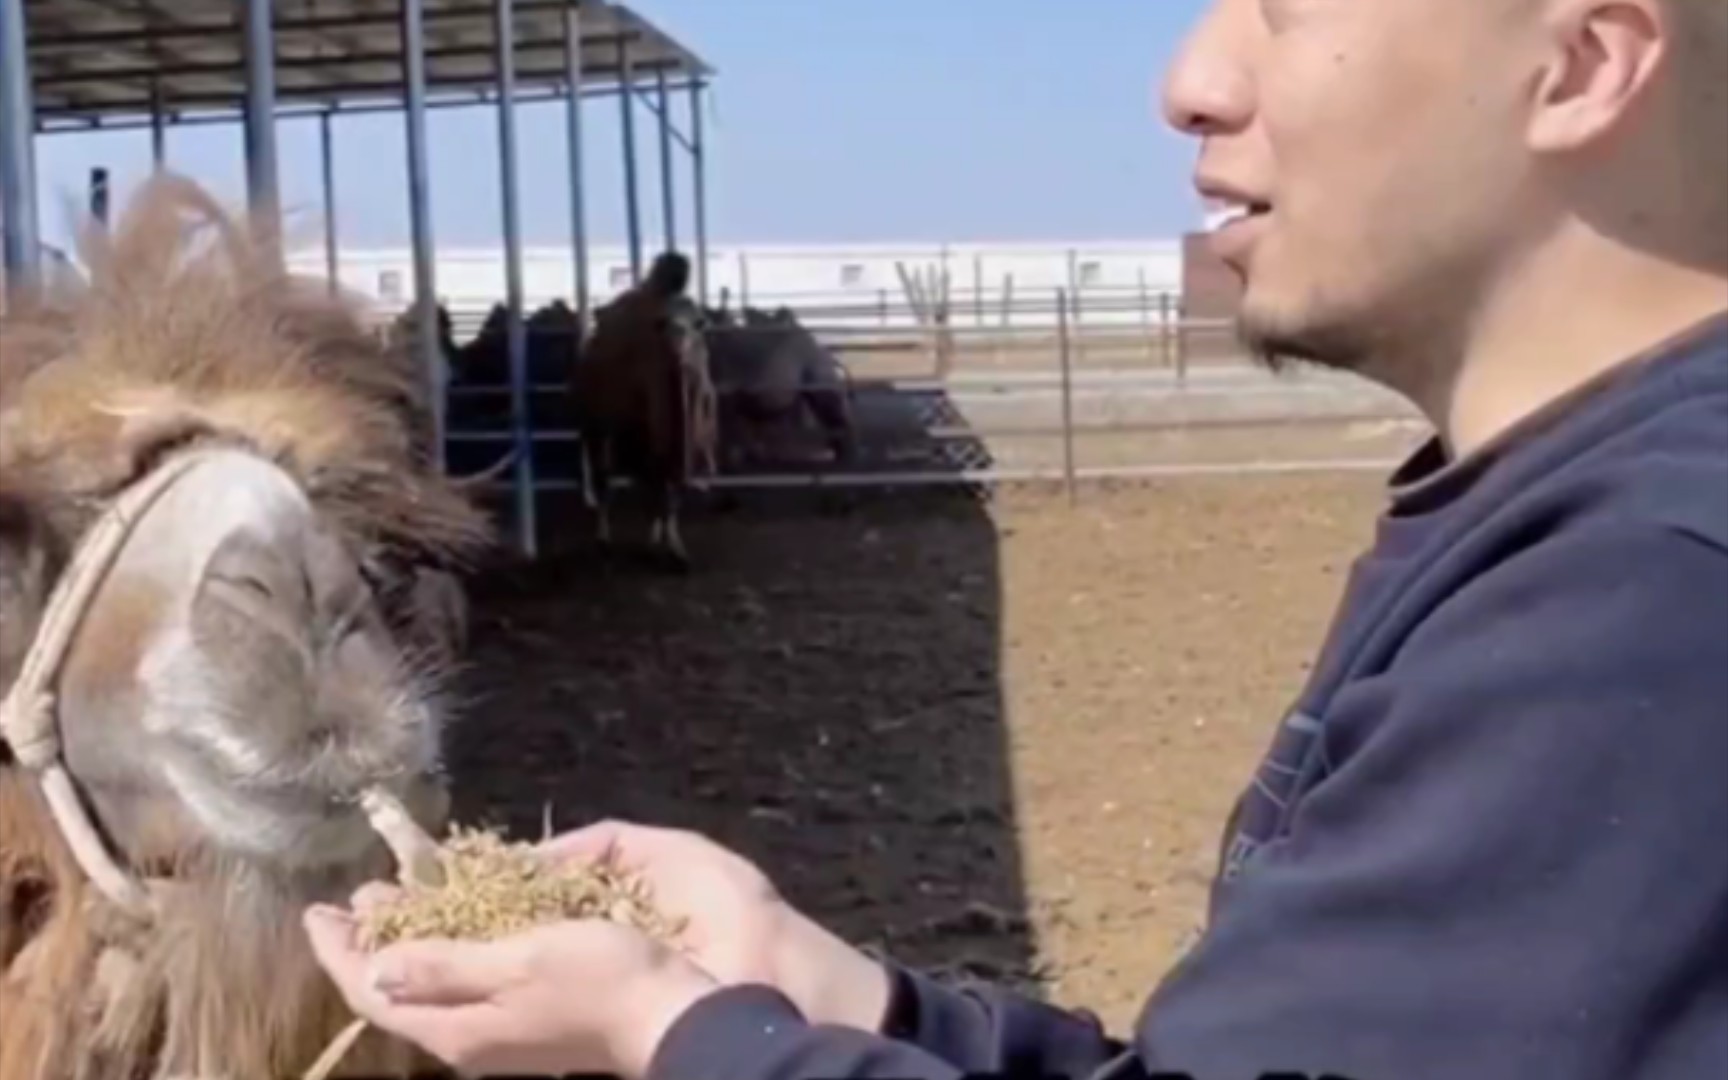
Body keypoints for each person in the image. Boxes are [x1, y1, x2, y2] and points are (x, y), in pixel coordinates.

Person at [304, 0, 1728, 1075]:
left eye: (1287, 5)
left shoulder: (1638, 605)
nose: (1191, 82)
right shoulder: (1564, 522)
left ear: (1586, 62)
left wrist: (679, 1034)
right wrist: (829, 993)